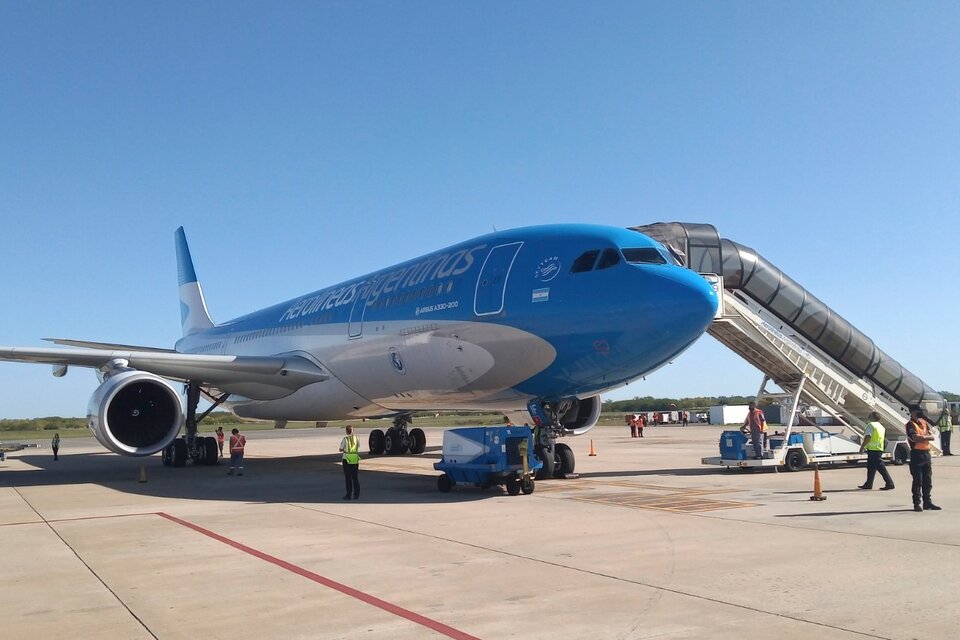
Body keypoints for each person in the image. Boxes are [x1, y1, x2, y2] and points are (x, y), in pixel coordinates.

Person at [905, 405, 939, 512]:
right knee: (917, 481)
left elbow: (932, 437)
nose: (920, 412)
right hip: (917, 455)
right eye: (918, 411)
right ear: (912, 412)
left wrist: (924, 438)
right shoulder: (910, 425)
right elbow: (916, 438)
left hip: (926, 454)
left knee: (927, 481)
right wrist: (925, 438)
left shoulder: (923, 423)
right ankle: (917, 504)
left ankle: (927, 503)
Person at [858, 412, 894, 490]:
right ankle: (868, 483)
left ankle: (890, 483)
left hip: (873, 449)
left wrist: (862, 446)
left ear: (872, 417)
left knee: (881, 467)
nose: (868, 416)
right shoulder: (881, 426)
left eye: (870, 415)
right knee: (871, 467)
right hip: (878, 448)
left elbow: (868, 436)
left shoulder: (871, 425)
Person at [339, 425, 361, 500]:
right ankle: (356, 495)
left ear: (346, 431)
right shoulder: (357, 438)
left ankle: (348, 495)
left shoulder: (345, 439)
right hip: (355, 459)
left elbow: (340, 449)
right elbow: (358, 446)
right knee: (355, 477)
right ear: (353, 431)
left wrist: (344, 450)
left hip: (347, 459)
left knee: (348, 478)